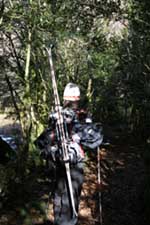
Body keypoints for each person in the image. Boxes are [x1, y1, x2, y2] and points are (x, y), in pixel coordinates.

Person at [35, 83, 103, 225]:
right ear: (76, 100)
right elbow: (94, 139)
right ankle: (66, 222)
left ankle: (60, 221)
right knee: (68, 198)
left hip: (60, 161)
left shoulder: (58, 116)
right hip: (70, 164)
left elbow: (43, 142)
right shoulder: (63, 117)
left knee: (60, 196)